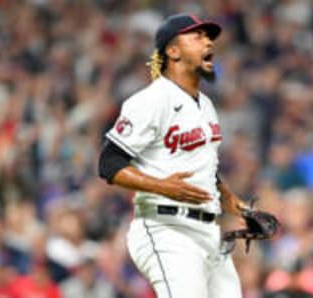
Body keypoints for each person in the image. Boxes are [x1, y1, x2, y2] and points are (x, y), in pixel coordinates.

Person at [98, 13, 247, 298]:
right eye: (197, 37)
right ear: (173, 51)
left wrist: (238, 208)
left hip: (208, 231)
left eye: (209, 38)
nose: (207, 43)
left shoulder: (205, 105)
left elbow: (206, 172)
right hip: (165, 228)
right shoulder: (151, 100)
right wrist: (161, 186)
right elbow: (108, 163)